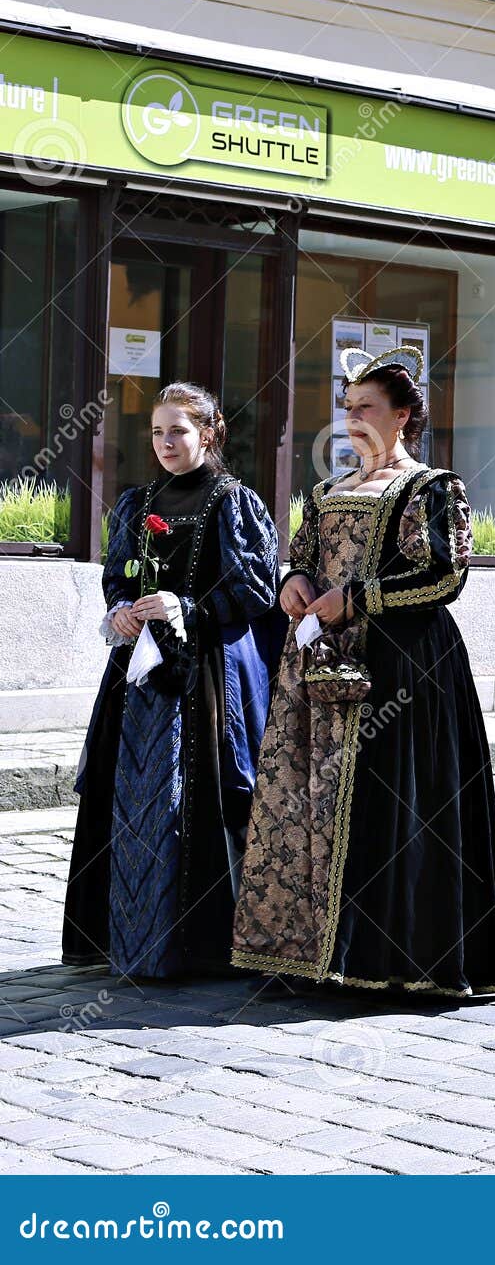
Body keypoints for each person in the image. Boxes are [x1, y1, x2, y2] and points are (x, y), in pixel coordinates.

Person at [231, 347, 495, 996]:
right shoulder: (329, 490)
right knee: (314, 799)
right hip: (324, 663)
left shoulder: (430, 487)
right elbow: (300, 553)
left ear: (403, 415)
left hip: (404, 667)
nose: (353, 418)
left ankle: (388, 958)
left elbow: (445, 573)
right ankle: (314, 949)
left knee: (391, 802)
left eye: (367, 408)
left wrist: (357, 598)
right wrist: (294, 584)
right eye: (348, 408)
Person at [63, 384, 282, 980]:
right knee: (128, 792)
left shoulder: (232, 501)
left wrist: (186, 605)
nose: (165, 443)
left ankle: (202, 946)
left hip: (207, 678)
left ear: (208, 433)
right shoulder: (137, 503)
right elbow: (118, 576)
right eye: (157, 432)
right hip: (138, 674)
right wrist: (122, 609)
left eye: (179, 431)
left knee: (200, 798)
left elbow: (257, 590)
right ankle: (127, 938)